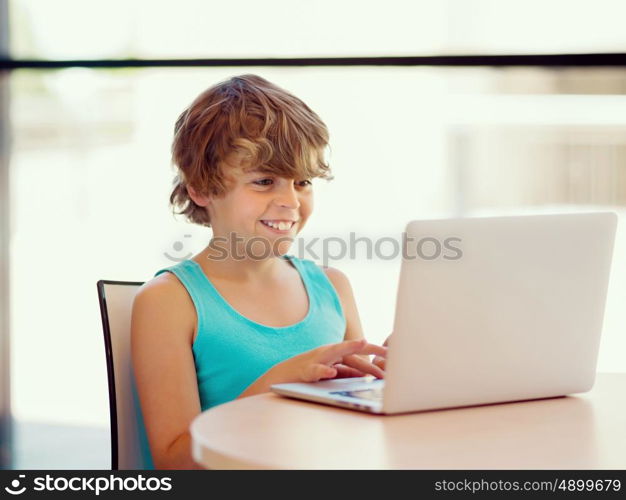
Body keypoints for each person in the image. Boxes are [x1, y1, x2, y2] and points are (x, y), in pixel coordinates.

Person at [131, 74, 388, 469]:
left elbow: (356, 425)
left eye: (302, 182)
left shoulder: (333, 286)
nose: (290, 201)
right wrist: (279, 383)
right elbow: (174, 462)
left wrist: (388, 383)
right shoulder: (168, 301)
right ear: (201, 188)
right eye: (264, 181)